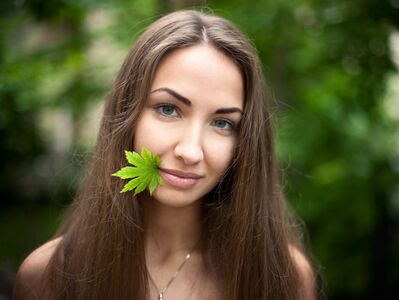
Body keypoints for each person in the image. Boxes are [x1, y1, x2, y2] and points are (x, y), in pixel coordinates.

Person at [13, 9, 316, 300]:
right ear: (126, 115)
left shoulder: (283, 277)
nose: (190, 151)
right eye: (168, 109)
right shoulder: (49, 276)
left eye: (222, 123)